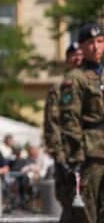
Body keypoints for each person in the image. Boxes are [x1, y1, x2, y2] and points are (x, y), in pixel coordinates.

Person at [58, 22, 104, 222]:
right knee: (88, 212)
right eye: (90, 43)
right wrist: (76, 155)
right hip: (91, 152)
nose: (96, 47)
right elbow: (70, 119)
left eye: (100, 41)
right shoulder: (76, 79)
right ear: (82, 47)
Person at [45, 42, 83, 222]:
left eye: (81, 54)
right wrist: (59, 155)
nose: (78, 58)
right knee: (71, 207)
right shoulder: (59, 89)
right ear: (67, 59)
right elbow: (51, 125)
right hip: (69, 156)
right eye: (74, 54)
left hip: (93, 154)